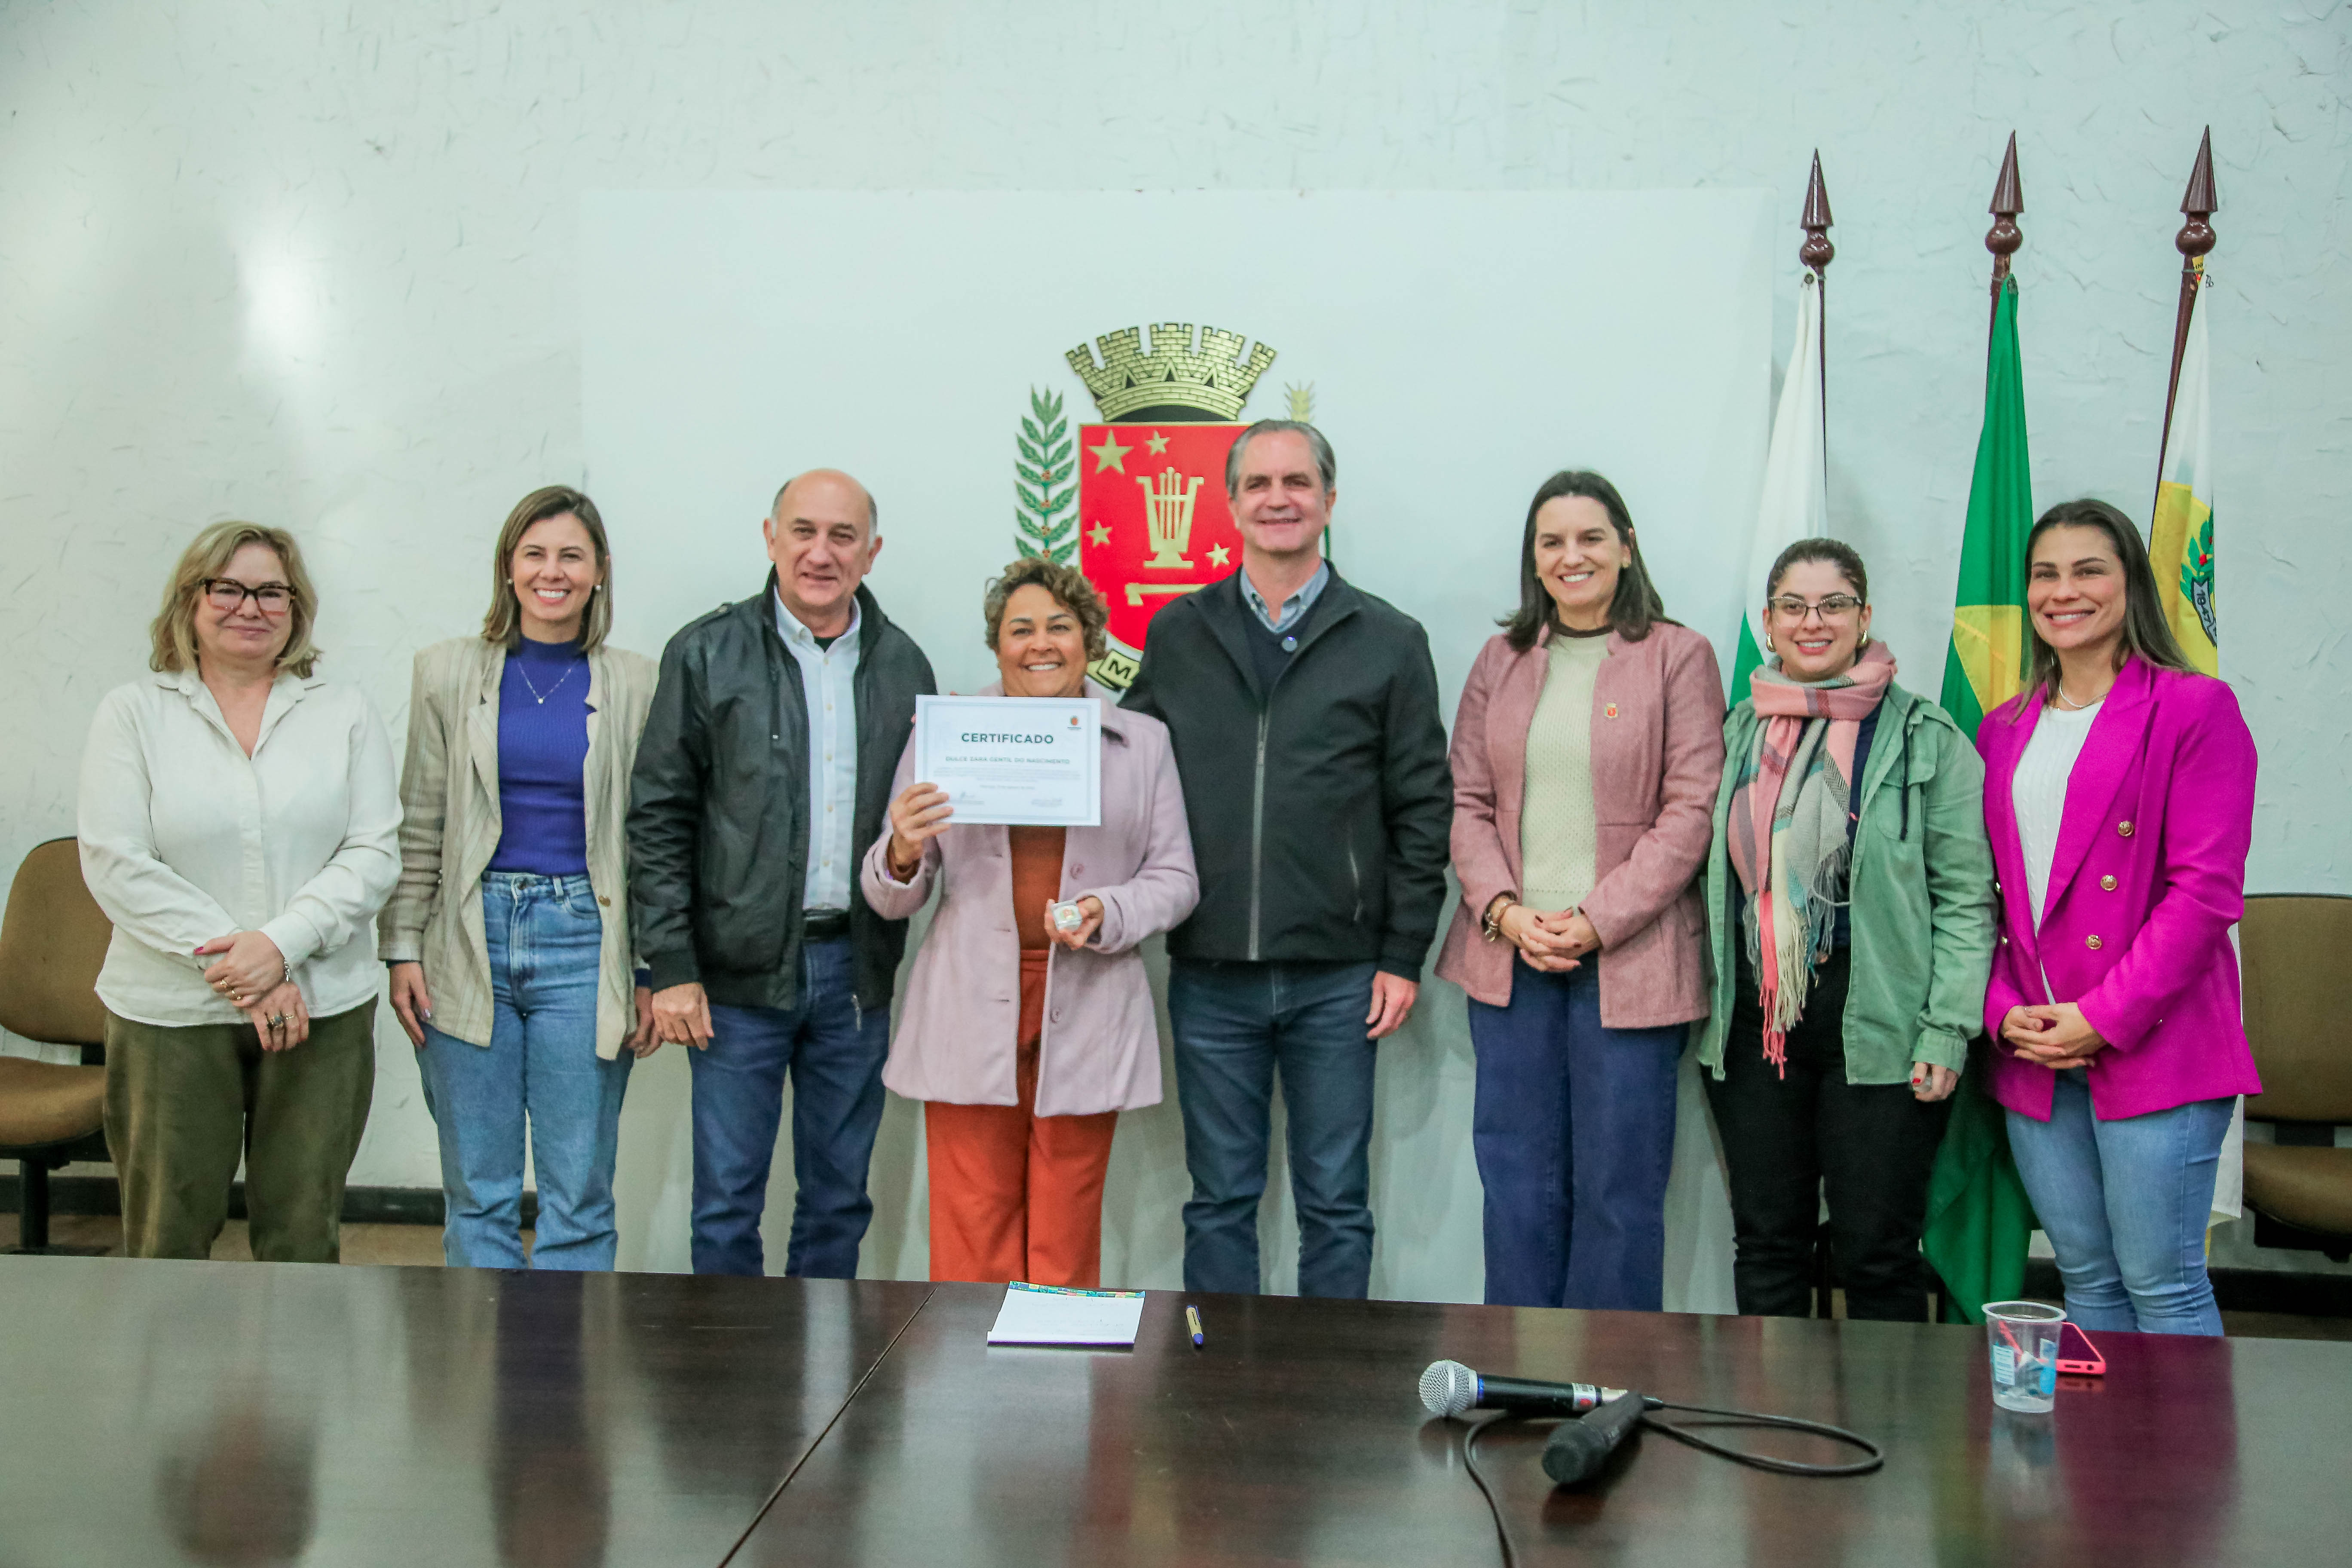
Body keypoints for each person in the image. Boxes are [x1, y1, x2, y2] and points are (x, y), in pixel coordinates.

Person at [1123, 419, 1452, 1299]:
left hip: (1340, 978)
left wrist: (1402, 953)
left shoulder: (1389, 639)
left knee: (1336, 1204)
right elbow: (1125, 769)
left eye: (1298, 482)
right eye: (1259, 484)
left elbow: (1424, 808)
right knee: (1219, 1202)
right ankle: (1213, 1370)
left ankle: (1327, 1383)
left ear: (1329, 500)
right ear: (1231, 505)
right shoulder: (1178, 631)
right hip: (1210, 971)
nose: (1279, 499)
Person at [628, 470, 937, 1277]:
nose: (820, 553)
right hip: (734, 978)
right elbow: (659, 817)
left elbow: (919, 829)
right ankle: (730, 1359)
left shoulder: (905, 666)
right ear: (771, 538)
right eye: (803, 531)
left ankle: (823, 1354)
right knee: (727, 1201)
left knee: (839, 1200)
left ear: (872, 552)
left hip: (856, 973)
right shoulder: (705, 652)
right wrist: (672, 966)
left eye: (842, 536)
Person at [864, 558, 1197, 1287]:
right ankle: (969, 1363)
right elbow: (891, 897)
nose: (1040, 643)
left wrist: (1107, 910)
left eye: (1059, 627)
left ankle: (1059, 1364)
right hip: (967, 1002)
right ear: (997, 646)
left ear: (1090, 641)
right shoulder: (946, 733)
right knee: (971, 1226)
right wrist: (903, 849)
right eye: (1020, 629)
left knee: (1065, 1233)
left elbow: (1176, 881)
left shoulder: (1144, 743)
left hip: (1090, 999)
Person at [1436, 471, 1725, 1310]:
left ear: (1627, 548)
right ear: (1533, 560)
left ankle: (1609, 1374)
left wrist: (1596, 920)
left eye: (1592, 538)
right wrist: (1505, 911)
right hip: (1511, 959)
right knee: (1517, 1186)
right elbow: (1466, 802)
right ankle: (1519, 1367)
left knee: (1619, 1193)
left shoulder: (1679, 655)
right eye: (1552, 542)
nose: (1573, 556)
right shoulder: (1501, 661)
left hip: (1630, 965)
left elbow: (1691, 811)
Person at [78, 521, 399, 1260]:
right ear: (190, 601)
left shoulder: (344, 712)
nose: (249, 607)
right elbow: (116, 860)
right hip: (170, 1014)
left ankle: (296, 1349)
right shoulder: (133, 713)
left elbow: (374, 852)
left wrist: (280, 948)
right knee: (166, 1240)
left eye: (271, 592)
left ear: (296, 608)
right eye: (227, 588)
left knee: (303, 1239)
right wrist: (247, 969)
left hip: (321, 1009)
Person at [1694, 538, 1997, 1320]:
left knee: (1877, 1252)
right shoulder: (1734, 732)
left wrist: (1947, 1030)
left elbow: (1967, 901)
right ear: (1768, 623)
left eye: (1833, 605)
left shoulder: (1927, 738)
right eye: (1793, 606)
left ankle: (1883, 1405)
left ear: (1864, 618)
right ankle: (1774, 1402)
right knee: (1768, 1244)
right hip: (1758, 1022)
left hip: (1882, 1024)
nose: (1813, 622)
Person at [1977, 498, 2258, 1335]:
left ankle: (2186, 1437)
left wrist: (2102, 1018)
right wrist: (2001, 1012)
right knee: (2088, 1282)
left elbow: (2205, 894)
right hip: (2036, 1047)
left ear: (2131, 582)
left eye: (2088, 570)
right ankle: (2106, 1437)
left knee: (2162, 1283)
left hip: (2155, 1040)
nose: (2063, 591)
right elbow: (1983, 896)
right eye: (2045, 575)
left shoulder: (2194, 708)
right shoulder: (2002, 729)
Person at [379, 484, 661, 1270]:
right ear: (508, 568)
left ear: (600, 570)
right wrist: (402, 949)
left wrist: (650, 969)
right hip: (467, 939)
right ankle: (481, 1350)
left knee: (579, 1196)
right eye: (534, 554)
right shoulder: (445, 672)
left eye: (572, 555)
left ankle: (573, 1353)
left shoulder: (638, 683)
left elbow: (651, 841)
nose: (552, 572)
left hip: (587, 942)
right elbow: (420, 820)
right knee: (480, 1192)